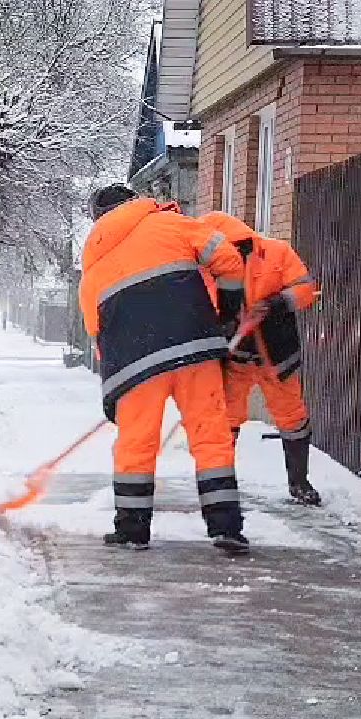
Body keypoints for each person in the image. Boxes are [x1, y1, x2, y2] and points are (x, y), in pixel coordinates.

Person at [80, 184, 253, 553]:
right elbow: (228, 259)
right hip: (195, 346)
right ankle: (226, 526)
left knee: (136, 444)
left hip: (135, 365)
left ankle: (132, 529)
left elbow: (96, 331)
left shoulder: (93, 261)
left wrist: (114, 380)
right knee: (211, 436)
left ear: (98, 218)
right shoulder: (171, 224)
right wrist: (228, 313)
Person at [198, 211, 325, 505]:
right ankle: (221, 485)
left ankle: (299, 482)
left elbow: (305, 289)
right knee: (225, 418)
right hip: (233, 357)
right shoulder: (205, 269)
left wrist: (274, 304)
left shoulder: (276, 253)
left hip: (275, 353)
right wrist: (225, 324)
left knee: (292, 416)